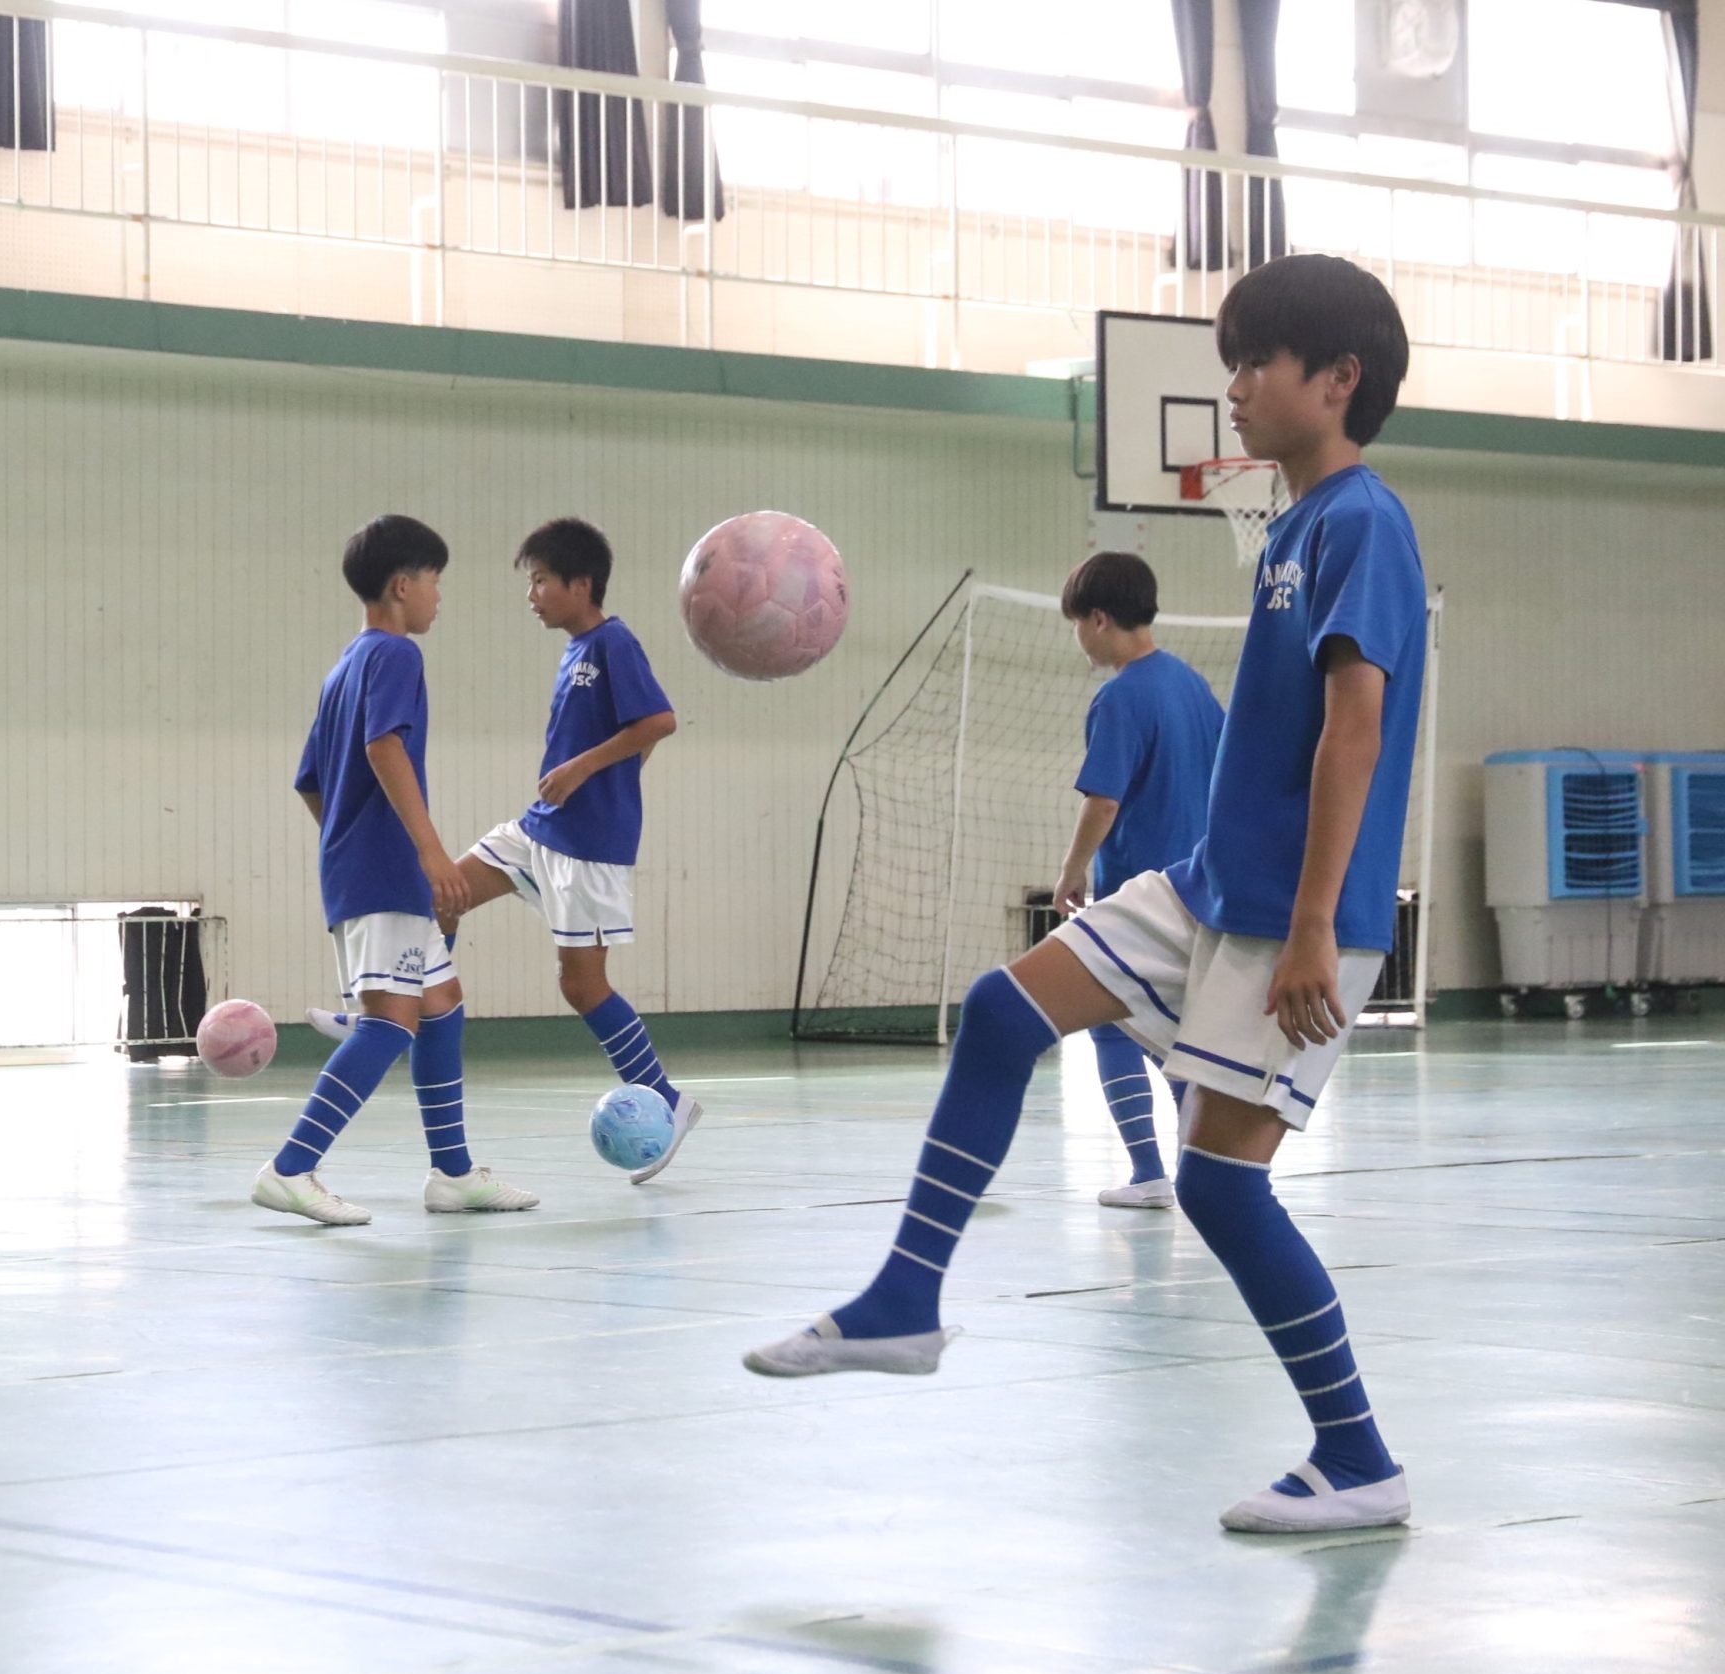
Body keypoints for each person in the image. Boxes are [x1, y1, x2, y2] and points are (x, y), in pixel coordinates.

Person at [745, 254, 1427, 1534]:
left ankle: (1358, 1458)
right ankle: (904, 1297)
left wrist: (1310, 929)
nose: (1232, 388)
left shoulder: (1364, 523)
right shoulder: (1292, 524)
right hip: (1208, 885)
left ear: (1336, 379)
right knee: (1001, 1009)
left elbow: (1356, 732)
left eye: (1254, 362)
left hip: (1289, 915)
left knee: (1219, 1187)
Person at [308, 519, 701, 1182]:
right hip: (539, 829)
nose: (532, 595)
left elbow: (658, 721)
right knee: (443, 894)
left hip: (588, 846)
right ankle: (387, 1012)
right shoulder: (573, 651)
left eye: (542, 581)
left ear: (582, 584)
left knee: (581, 985)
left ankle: (668, 1100)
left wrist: (583, 769)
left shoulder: (614, 641)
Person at [257, 514, 540, 1225]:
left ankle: (453, 1174)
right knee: (389, 1023)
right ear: (402, 585)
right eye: (436, 581)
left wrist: (349, 842)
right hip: (386, 873)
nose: (440, 597)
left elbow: (310, 782)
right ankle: (290, 1169)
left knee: (441, 1007)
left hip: (366, 869)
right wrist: (427, 851)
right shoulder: (396, 654)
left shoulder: (343, 668)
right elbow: (384, 747)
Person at [1053, 552, 1224, 1209]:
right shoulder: (1191, 684)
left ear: (1099, 619)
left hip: (1139, 894)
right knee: (1167, 1029)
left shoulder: (1122, 696)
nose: (1079, 637)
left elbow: (1103, 800)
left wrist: (1071, 871)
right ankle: (1200, 1171)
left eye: (1078, 623)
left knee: (1114, 1024)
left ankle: (1153, 1172)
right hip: (1200, 887)